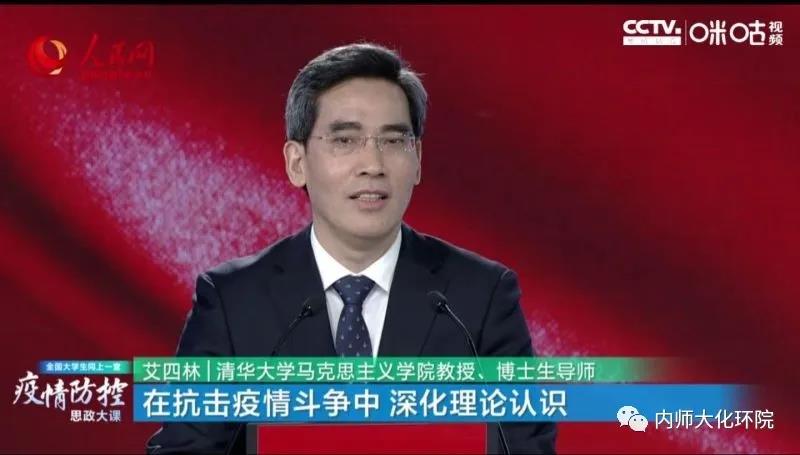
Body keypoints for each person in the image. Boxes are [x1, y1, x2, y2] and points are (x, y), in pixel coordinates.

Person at [146, 42, 557, 454]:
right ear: (297, 162)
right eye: (345, 140)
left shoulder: (479, 298)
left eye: (393, 142)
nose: (373, 165)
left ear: (417, 160)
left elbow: (527, 446)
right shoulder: (234, 301)